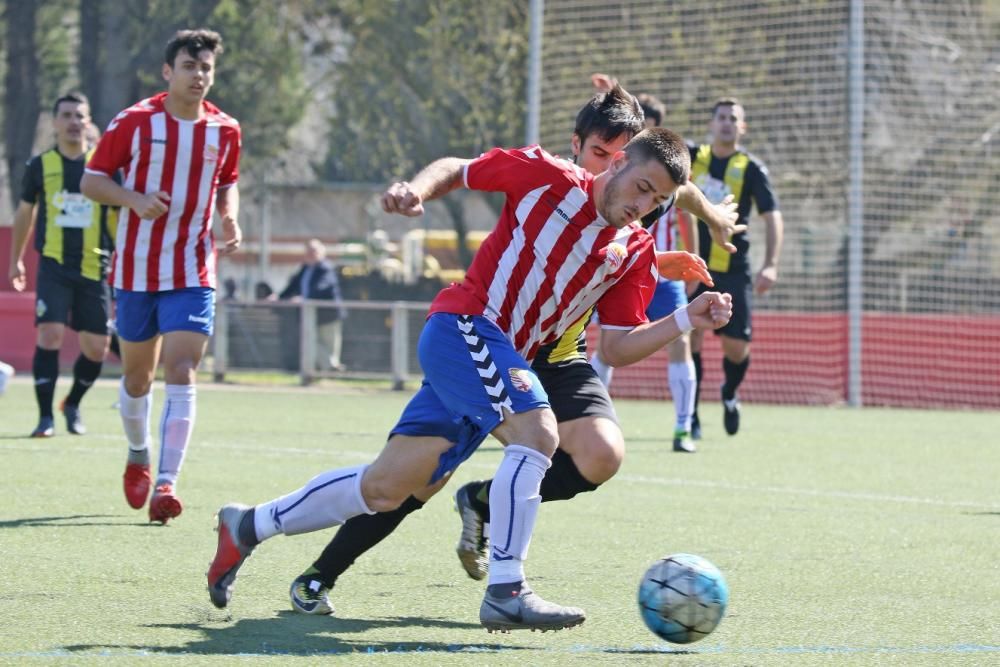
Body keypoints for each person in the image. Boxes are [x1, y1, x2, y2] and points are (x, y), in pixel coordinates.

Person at [207, 125, 732, 633]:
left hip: (498, 361)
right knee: (538, 434)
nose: (644, 205)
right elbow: (459, 169)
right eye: (642, 187)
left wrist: (686, 318)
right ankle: (507, 591)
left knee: (388, 487)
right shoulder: (543, 176)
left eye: (658, 199)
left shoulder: (633, 250)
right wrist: (416, 190)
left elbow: (616, 345)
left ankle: (249, 524)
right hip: (464, 325)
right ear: (616, 162)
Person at [80, 29, 242, 524]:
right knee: (136, 377)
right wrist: (133, 199)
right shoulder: (135, 122)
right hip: (135, 270)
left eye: (206, 68)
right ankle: (138, 454)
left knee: (183, 369)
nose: (199, 76)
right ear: (168, 72)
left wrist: (230, 215)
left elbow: (228, 181)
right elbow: (91, 180)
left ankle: (168, 483)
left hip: (193, 268)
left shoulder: (225, 130)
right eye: (190, 67)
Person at [589, 92, 702, 453]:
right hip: (615, 266)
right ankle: (588, 419)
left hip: (662, 272)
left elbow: (686, 211)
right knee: (604, 348)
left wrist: (694, 257)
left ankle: (684, 427)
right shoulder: (621, 166)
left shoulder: (671, 176)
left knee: (679, 341)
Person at [8, 92, 118, 437]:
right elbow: (26, 213)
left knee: (97, 348)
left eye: (79, 116)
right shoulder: (40, 166)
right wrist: (16, 262)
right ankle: (45, 418)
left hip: (93, 266)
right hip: (54, 266)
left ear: (88, 124)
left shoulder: (104, 167)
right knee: (50, 334)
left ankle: (72, 403)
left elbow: (118, 213)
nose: (73, 122)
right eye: (66, 115)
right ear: (55, 123)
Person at [687, 98, 784, 439]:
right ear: (711, 124)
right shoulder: (692, 157)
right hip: (693, 266)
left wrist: (770, 264)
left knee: (736, 348)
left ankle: (729, 392)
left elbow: (772, 217)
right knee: (690, 338)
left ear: (742, 127)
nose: (727, 123)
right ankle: (690, 416)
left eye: (734, 119)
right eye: (721, 117)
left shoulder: (751, 168)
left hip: (733, 269)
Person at [278, 239, 347, 372]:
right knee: (309, 341)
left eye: (314, 251)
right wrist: (279, 297)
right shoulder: (305, 268)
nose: (311, 254)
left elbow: (322, 287)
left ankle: (330, 369)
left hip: (328, 315)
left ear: (322, 252)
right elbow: (293, 286)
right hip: (310, 314)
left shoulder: (325, 268)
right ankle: (330, 367)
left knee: (328, 345)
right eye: (309, 251)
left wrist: (304, 298)